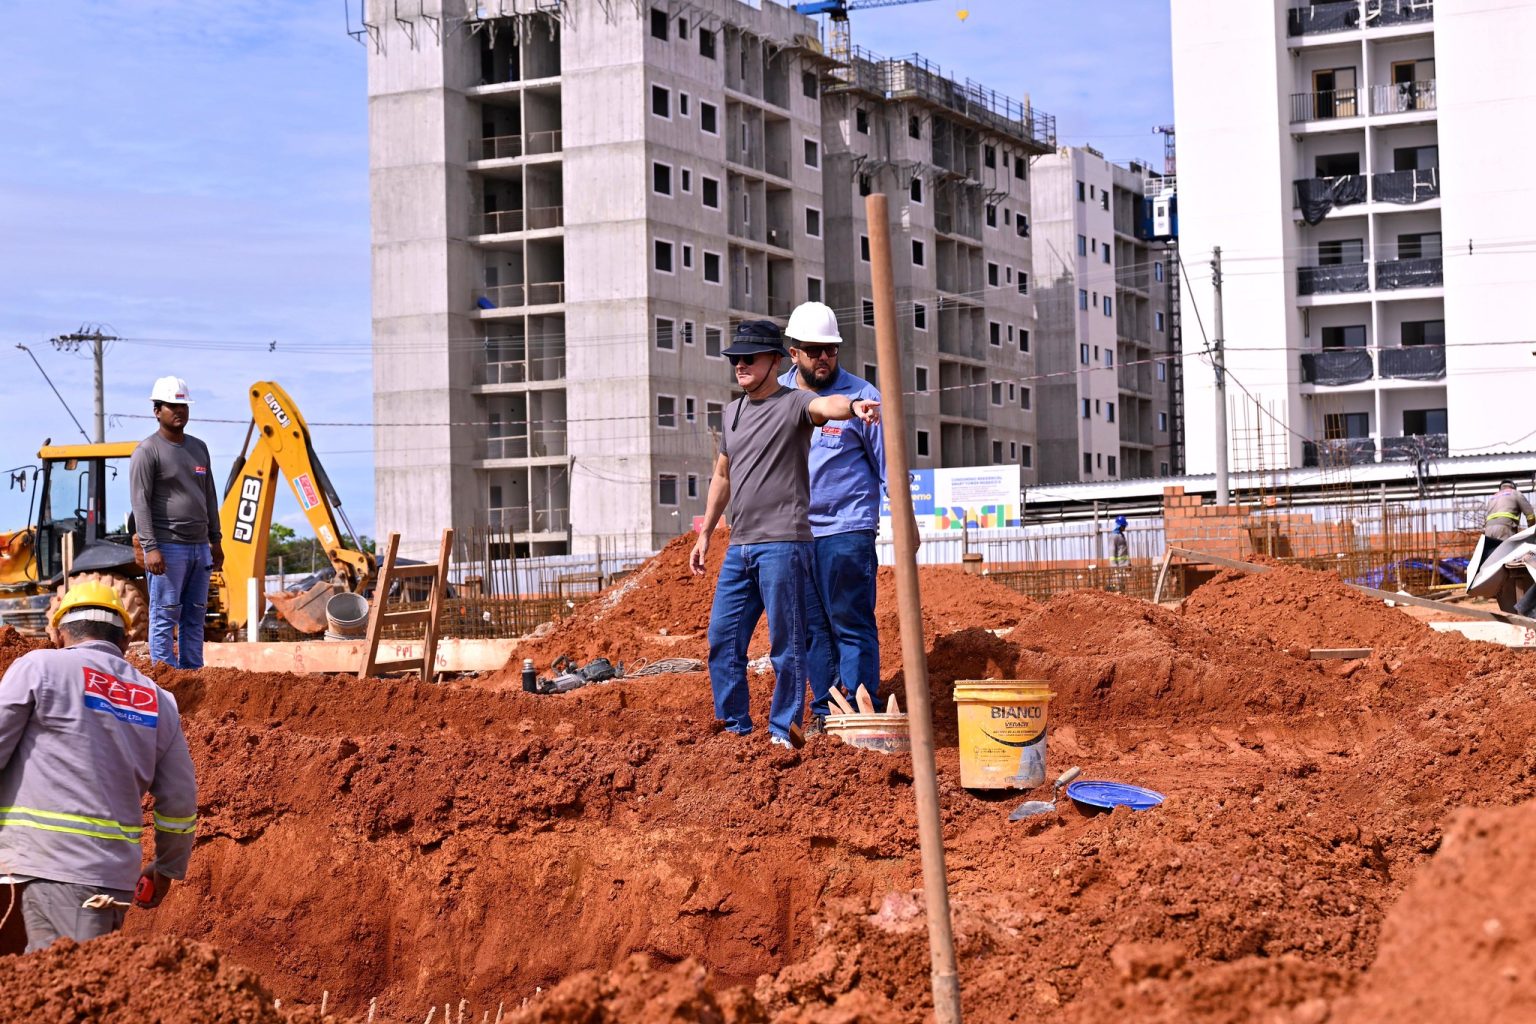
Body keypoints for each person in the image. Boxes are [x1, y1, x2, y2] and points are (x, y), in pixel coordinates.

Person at [691, 320, 881, 748]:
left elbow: (826, 407)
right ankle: (733, 727)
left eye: (749, 358)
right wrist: (705, 532)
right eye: (735, 359)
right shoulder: (732, 411)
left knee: (788, 644)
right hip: (740, 546)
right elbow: (722, 473)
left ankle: (784, 731)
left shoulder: (795, 403)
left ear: (775, 360)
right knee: (723, 640)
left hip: (784, 543)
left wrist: (854, 408)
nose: (740, 365)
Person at [0, 582, 197, 951]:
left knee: (55, 999)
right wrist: (167, 867)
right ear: (124, 642)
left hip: (30, 866)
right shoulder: (160, 700)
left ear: (60, 634)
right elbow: (180, 800)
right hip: (105, 879)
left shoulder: (39, 667)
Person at [778, 301, 884, 735]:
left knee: (851, 622)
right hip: (795, 533)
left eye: (831, 350)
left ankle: (858, 713)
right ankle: (825, 714)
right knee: (811, 631)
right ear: (794, 353)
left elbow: (888, 463)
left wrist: (909, 523)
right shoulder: (777, 397)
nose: (824, 357)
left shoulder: (864, 397)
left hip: (847, 531)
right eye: (814, 349)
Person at [130, 376, 223, 670]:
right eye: (172, 406)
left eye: (183, 405)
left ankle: (193, 674)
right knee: (164, 615)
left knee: (194, 615)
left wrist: (216, 540)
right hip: (168, 547)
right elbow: (140, 502)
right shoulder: (148, 451)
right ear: (157, 411)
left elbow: (209, 495)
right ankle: (166, 678)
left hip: (199, 547)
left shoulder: (199, 449)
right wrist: (150, 548)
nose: (179, 411)